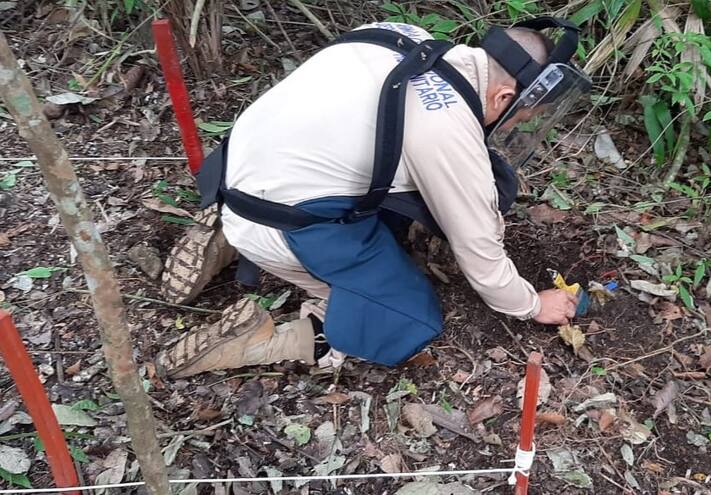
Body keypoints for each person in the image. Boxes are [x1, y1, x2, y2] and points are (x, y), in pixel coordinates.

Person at [156, 17, 591, 379]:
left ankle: (223, 231)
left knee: (380, 187)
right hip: (279, 220)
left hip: (236, 174)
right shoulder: (447, 129)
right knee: (409, 318)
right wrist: (531, 304)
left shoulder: (400, 36)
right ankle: (278, 337)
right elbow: (479, 250)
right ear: (504, 96)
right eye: (518, 116)